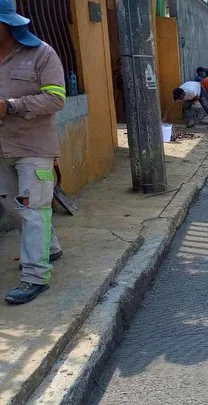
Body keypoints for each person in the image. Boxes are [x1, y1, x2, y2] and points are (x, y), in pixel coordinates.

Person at [0, 2, 65, 304]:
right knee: (15, 209)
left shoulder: (42, 54)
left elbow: (56, 99)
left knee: (32, 209)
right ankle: (50, 247)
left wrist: (12, 105)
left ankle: (35, 276)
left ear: (7, 24)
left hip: (34, 147)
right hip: (3, 148)